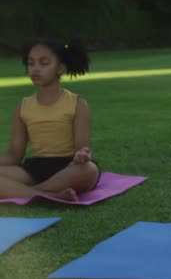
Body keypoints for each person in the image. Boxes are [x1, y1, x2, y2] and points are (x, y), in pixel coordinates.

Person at [0, 39, 100, 201]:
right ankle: (48, 195)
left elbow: (82, 148)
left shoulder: (78, 104)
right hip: (34, 169)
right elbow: (13, 156)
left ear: (60, 68)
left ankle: (25, 192)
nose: (35, 69)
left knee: (89, 170)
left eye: (44, 63)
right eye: (31, 63)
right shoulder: (22, 107)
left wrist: (82, 155)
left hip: (69, 166)